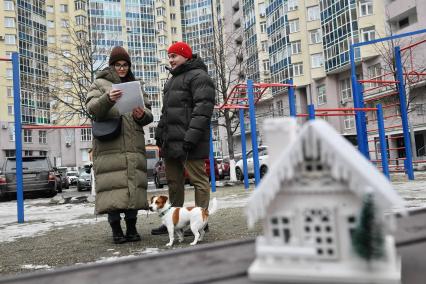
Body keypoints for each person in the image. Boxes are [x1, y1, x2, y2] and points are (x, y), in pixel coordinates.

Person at [86, 46, 153, 244]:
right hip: (110, 145)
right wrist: (107, 99)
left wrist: (143, 115)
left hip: (133, 144)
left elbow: (148, 113)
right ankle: (116, 230)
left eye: (125, 65)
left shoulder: (136, 84)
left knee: (132, 187)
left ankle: (132, 228)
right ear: (112, 65)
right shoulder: (99, 83)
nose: (122, 69)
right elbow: (92, 109)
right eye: (118, 65)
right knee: (112, 188)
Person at [152, 42, 215, 235]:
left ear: (186, 56)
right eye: (169, 56)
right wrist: (160, 133)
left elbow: (203, 109)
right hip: (171, 141)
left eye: (174, 56)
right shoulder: (171, 81)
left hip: (190, 141)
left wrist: (191, 137)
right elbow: (166, 112)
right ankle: (173, 221)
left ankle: (201, 220)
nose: (170, 60)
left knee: (198, 181)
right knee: (173, 182)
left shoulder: (199, 77)